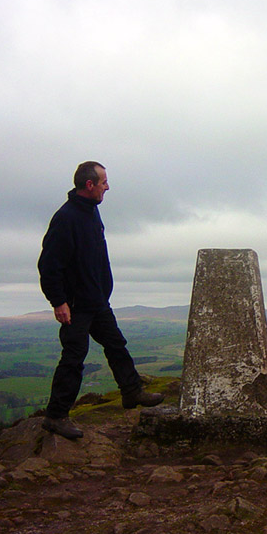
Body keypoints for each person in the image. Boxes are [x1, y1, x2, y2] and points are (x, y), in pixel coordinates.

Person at [38, 161, 163, 439]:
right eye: (104, 181)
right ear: (89, 185)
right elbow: (49, 264)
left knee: (116, 345)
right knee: (73, 358)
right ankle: (56, 416)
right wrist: (58, 301)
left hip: (96, 301)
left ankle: (131, 392)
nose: (108, 186)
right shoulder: (67, 217)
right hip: (76, 305)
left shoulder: (92, 213)